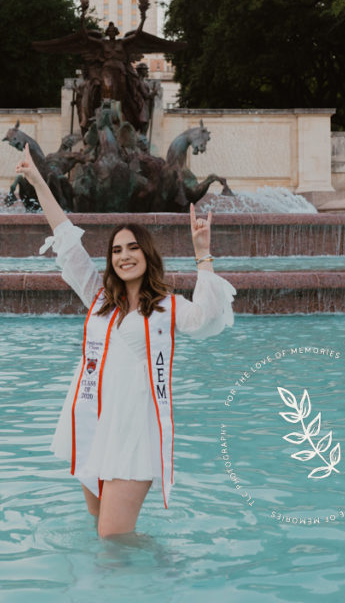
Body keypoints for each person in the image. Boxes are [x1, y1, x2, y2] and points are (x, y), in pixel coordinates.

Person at [15, 142, 237, 539]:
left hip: (134, 433)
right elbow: (65, 236)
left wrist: (203, 254)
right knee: (102, 538)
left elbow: (208, 318)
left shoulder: (166, 306)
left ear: (147, 255)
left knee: (113, 539)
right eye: (117, 250)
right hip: (94, 424)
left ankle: (170, 578)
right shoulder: (100, 299)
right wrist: (37, 180)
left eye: (133, 248)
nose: (124, 256)